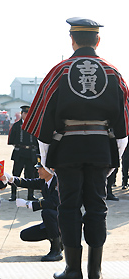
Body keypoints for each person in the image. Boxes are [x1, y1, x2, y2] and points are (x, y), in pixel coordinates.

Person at [22, 17, 129, 279]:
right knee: (97, 206)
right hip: (101, 149)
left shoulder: (59, 71)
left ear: (72, 40)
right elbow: (124, 123)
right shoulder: (113, 73)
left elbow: (43, 116)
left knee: (67, 206)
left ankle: (72, 270)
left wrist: (46, 161)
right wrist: (113, 156)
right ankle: (96, 270)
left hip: (67, 149)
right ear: (98, 40)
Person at [9, 154, 62, 262]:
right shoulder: (44, 181)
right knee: (25, 235)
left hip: (65, 223)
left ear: (50, 170)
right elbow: (27, 182)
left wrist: (28, 204)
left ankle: (56, 250)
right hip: (54, 222)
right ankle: (58, 241)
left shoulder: (59, 182)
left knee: (47, 212)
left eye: (41, 168)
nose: (38, 171)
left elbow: (53, 203)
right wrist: (10, 178)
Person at [8, 105, 39, 201]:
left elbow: (37, 139)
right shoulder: (16, 125)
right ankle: (13, 194)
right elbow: (11, 139)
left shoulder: (34, 125)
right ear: (21, 114)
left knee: (31, 175)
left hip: (31, 153)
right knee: (16, 173)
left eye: (28, 114)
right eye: (25, 113)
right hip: (20, 152)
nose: (26, 115)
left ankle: (30, 195)